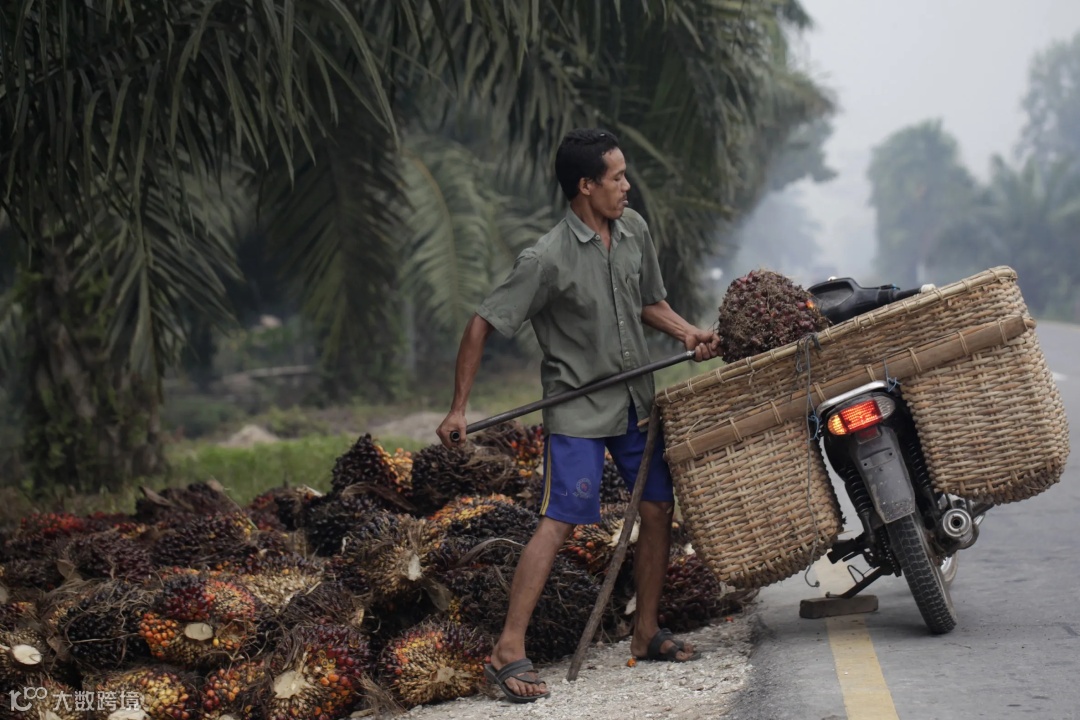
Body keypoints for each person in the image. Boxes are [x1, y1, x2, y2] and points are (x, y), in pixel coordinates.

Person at [436, 128, 721, 703]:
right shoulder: (544, 259)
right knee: (561, 519)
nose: (627, 186)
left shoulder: (633, 229)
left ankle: (646, 631)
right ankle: (507, 650)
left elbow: (648, 301)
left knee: (658, 507)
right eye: (617, 177)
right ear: (586, 186)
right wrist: (458, 408)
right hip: (578, 411)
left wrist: (688, 333)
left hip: (634, 399)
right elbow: (482, 322)